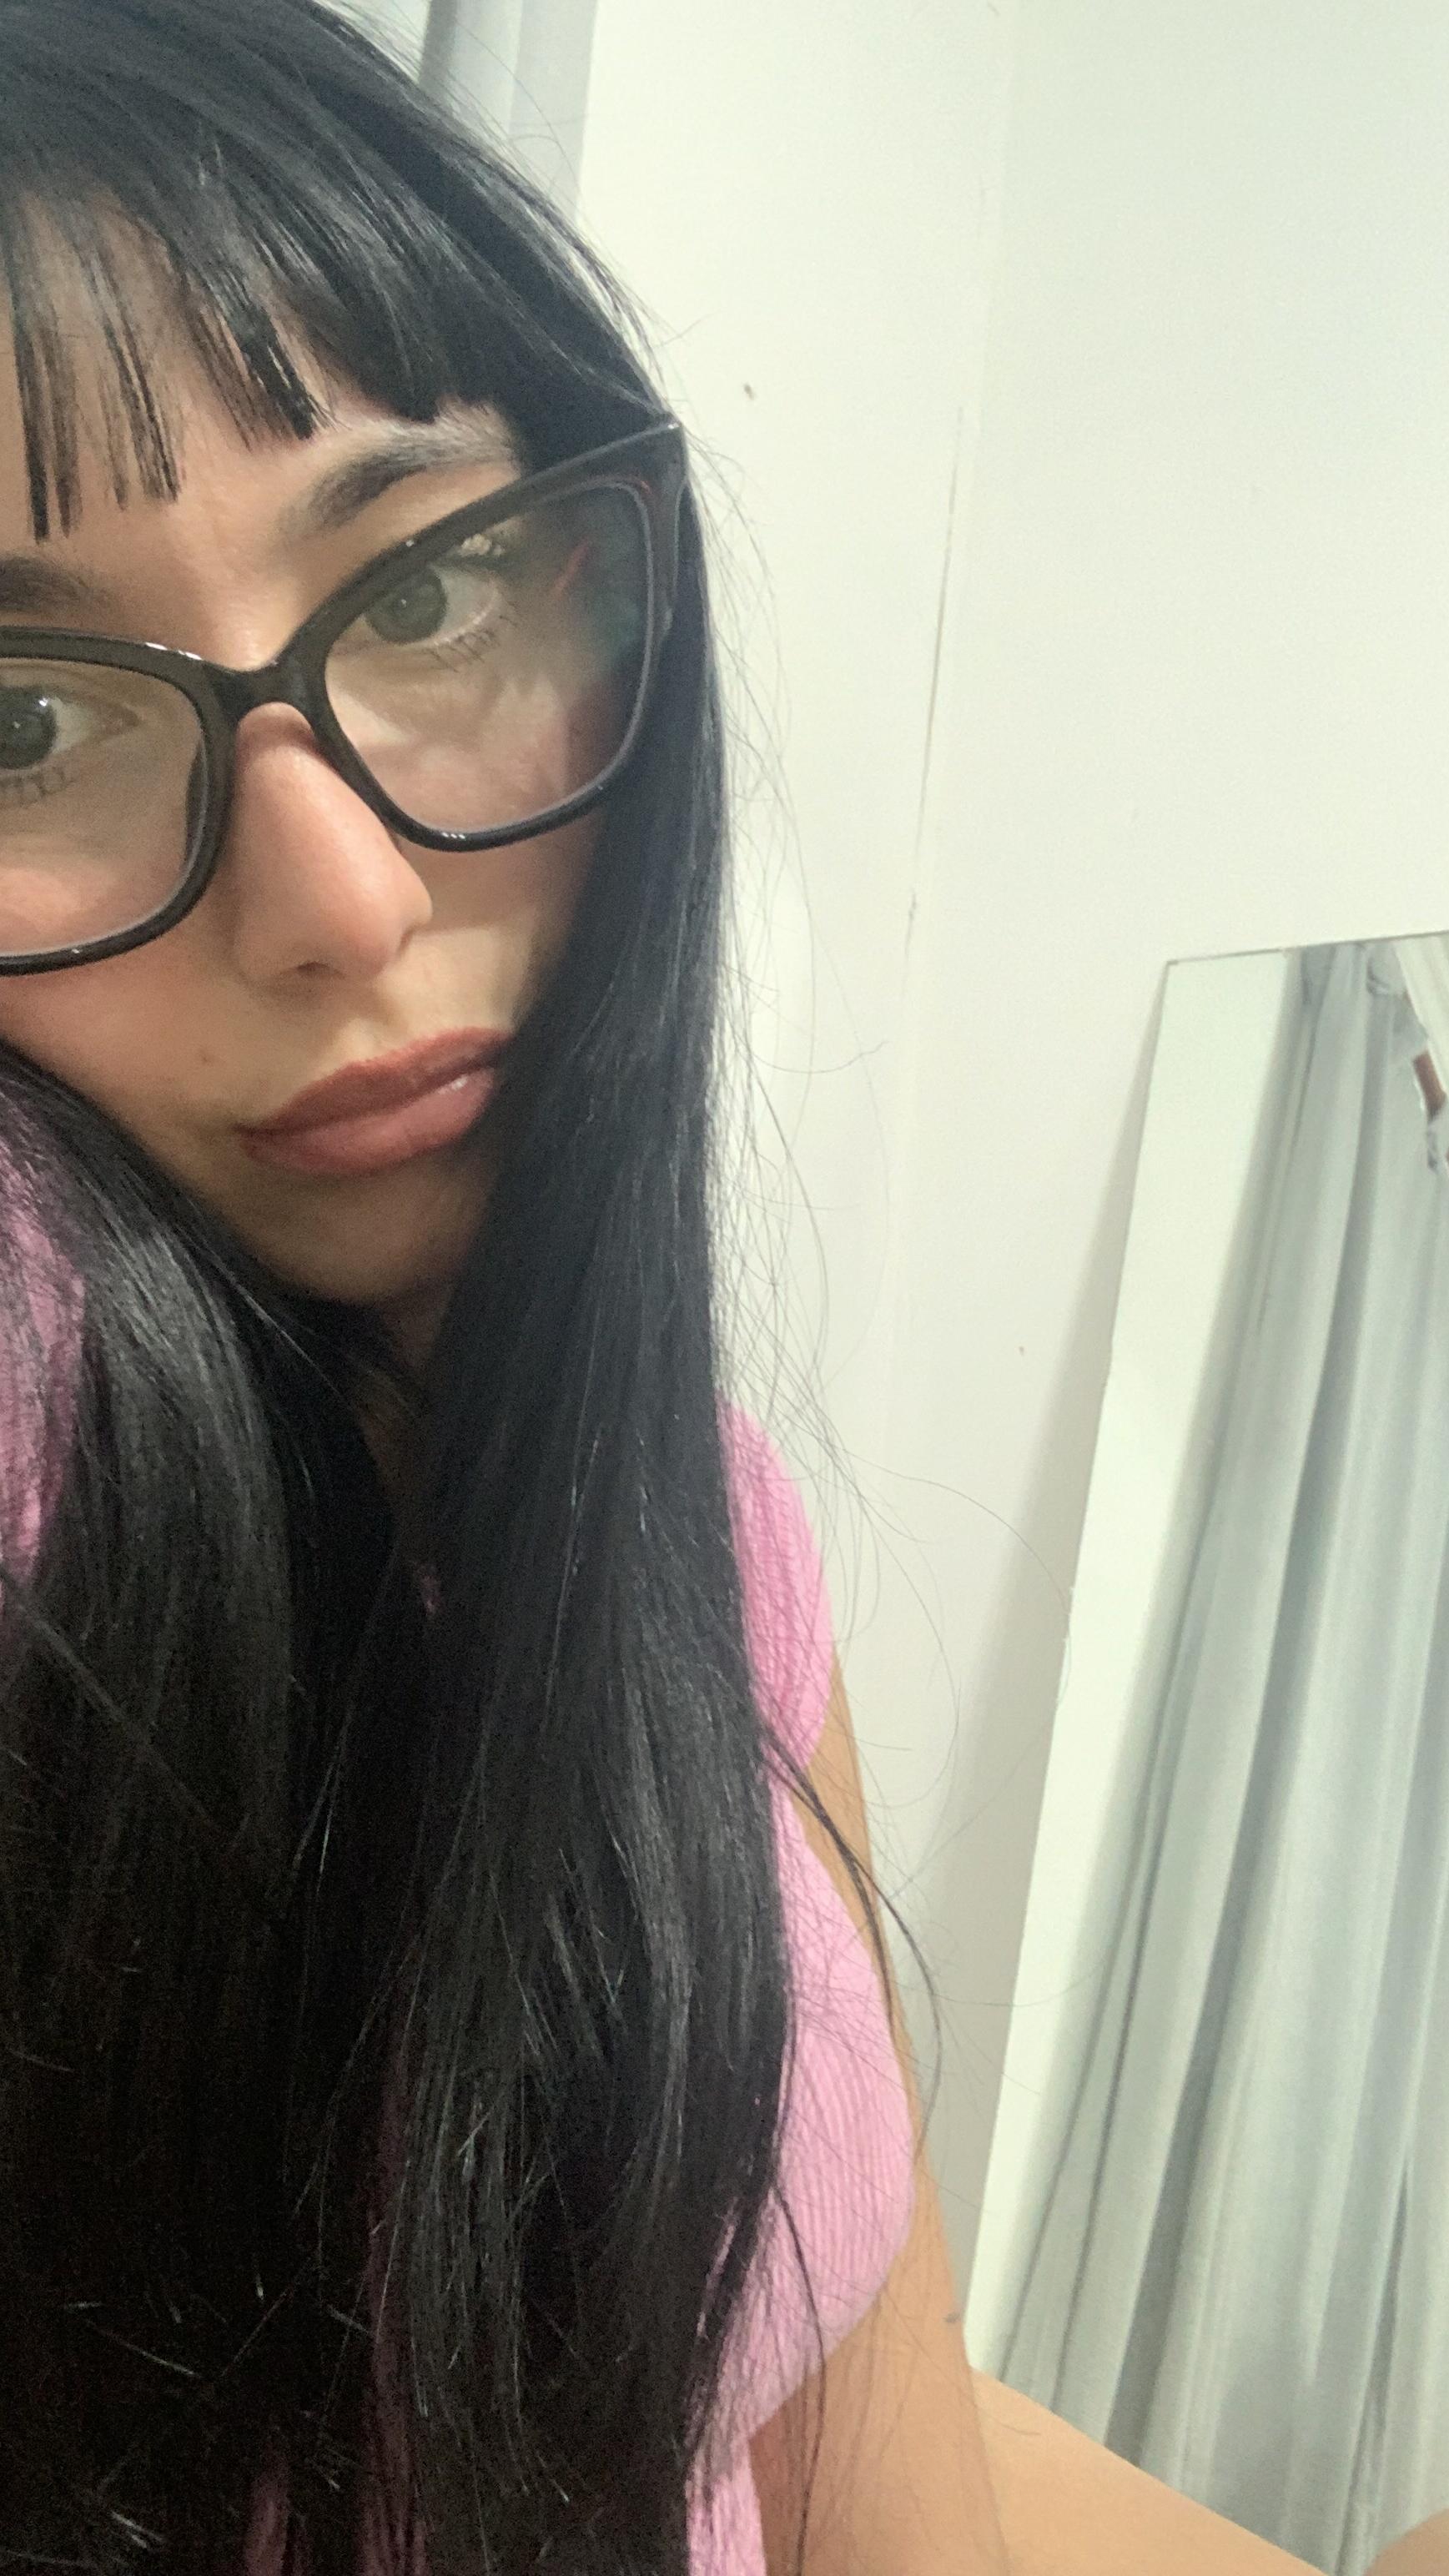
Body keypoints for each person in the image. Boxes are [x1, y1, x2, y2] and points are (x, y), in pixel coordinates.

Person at [0, 3, 1009, 2568]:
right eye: (22, 723)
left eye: (427, 585)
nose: (335, 901)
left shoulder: (713, 1534)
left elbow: (877, 2468)